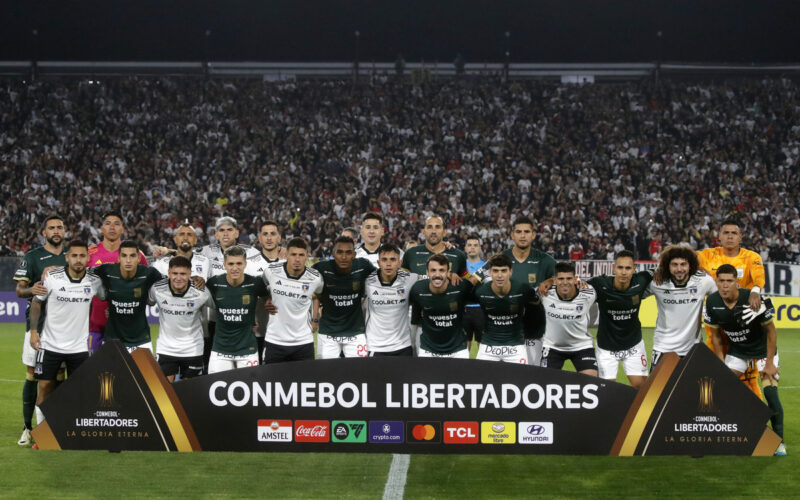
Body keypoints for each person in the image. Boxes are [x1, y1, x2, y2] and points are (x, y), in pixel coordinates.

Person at [704, 264, 785, 456]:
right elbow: (715, 336)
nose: (725, 285)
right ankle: (738, 429)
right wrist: (720, 363)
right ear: (716, 282)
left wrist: (771, 363)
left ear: (737, 282)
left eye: (729, 281)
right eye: (721, 281)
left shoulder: (752, 299)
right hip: (738, 351)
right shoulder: (712, 302)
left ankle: (778, 441)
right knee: (721, 388)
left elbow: (771, 332)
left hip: (764, 351)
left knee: (771, 393)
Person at [28, 240, 103, 426]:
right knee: (45, 386)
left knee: (80, 389)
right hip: (50, 344)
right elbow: (37, 302)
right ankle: (41, 432)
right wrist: (33, 331)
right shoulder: (52, 277)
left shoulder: (94, 281)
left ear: (88, 258)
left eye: (82, 256)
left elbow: (106, 297)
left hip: (79, 347)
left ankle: (72, 429)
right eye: (74, 255)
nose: (78, 259)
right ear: (67, 257)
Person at [12, 214, 67, 445]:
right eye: (51, 228)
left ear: (64, 231)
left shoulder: (71, 256)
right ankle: (27, 427)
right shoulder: (33, 257)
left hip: (64, 328)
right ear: (44, 233)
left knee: (59, 378)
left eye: (59, 227)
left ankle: (57, 425)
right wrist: (31, 290)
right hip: (37, 327)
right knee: (33, 375)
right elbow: (19, 290)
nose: (56, 231)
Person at [697, 217, 766, 397]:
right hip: (716, 324)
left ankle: (757, 420)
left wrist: (756, 291)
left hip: (743, 328)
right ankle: (714, 414)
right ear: (718, 236)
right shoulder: (706, 255)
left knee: (749, 379)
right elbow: (682, 259)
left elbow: (759, 278)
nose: (729, 236)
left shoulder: (751, 257)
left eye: (734, 233)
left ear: (740, 237)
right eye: (725, 233)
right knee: (712, 374)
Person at [479, 216, 555, 366]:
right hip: (504, 334)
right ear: (512, 235)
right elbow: (476, 279)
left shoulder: (545, 260)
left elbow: (567, 278)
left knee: (532, 375)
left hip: (534, 331)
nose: (522, 235)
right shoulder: (500, 259)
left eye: (527, 232)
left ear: (533, 235)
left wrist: (551, 280)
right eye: (518, 232)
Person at [199, 216, 260, 369]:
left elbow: (263, 278)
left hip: (244, 323)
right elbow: (186, 255)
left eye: (229, 230)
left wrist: (280, 250)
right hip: (214, 321)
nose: (225, 234)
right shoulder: (205, 252)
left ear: (236, 233)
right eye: (222, 231)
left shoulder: (251, 252)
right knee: (213, 366)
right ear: (216, 234)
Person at [586, 250, 652, 388]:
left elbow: (663, 270)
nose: (623, 272)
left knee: (641, 388)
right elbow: (575, 287)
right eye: (620, 267)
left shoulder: (641, 280)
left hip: (633, 346)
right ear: (614, 268)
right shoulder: (600, 284)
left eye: (628, 268)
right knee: (606, 391)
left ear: (634, 269)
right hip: (606, 349)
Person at [87, 211, 148, 354]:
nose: (112, 227)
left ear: (122, 229)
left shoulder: (136, 255)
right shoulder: (90, 253)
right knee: (95, 371)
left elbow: (144, 285)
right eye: (108, 224)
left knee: (125, 372)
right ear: (101, 229)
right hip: (96, 324)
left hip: (126, 326)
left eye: (116, 224)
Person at [649, 245, 717, 367]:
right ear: (667, 266)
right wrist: (655, 270)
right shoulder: (657, 282)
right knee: (658, 387)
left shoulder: (704, 281)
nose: (679, 269)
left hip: (693, 351)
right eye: (674, 264)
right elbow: (633, 294)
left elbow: (723, 297)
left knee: (694, 387)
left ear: (690, 265)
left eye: (683, 264)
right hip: (663, 349)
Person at [90, 240, 163, 352]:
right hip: (112, 340)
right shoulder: (106, 271)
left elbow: (173, 281)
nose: (128, 260)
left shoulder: (149, 273)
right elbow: (82, 273)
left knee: (146, 371)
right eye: (124, 256)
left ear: (138, 258)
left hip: (142, 341)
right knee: (110, 370)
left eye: (132, 256)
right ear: (118, 258)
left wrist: (196, 280)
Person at [149, 256, 212, 381]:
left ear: (190, 274)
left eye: (183, 274)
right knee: (165, 394)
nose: (178, 278)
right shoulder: (157, 289)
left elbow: (219, 308)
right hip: (166, 349)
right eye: (175, 273)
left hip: (193, 350)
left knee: (190, 393)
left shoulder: (201, 292)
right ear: (168, 273)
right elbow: (147, 303)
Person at [205, 246, 267, 373]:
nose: (234, 268)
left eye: (239, 263)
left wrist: (256, 319)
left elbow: (268, 298)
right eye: (231, 264)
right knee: (217, 389)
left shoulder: (255, 283)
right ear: (224, 265)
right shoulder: (214, 283)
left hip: (247, 349)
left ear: (245, 264)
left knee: (249, 390)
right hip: (220, 350)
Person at [262, 237, 323, 363]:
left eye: (301, 255)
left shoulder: (315, 278)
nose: (297, 259)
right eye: (293, 254)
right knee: (271, 381)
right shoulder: (271, 271)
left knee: (305, 382)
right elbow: (262, 288)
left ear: (307, 256)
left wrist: (315, 319)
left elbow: (317, 295)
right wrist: (267, 299)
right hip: (275, 340)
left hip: (303, 342)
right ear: (286, 255)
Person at [312, 236, 375, 358]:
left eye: (348, 252)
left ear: (354, 255)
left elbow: (381, 279)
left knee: (359, 373)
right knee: (326, 374)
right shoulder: (321, 268)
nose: (344, 257)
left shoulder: (363, 266)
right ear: (333, 254)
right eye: (339, 252)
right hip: (328, 334)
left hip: (356, 333)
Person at [473, 253, 535, 363]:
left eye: (504, 271)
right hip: (488, 347)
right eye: (496, 271)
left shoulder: (523, 290)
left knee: (521, 380)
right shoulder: (480, 292)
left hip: (516, 348)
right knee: (480, 379)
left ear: (510, 272)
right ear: (490, 272)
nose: (499, 275)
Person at [540, 262, 598, 376]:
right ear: (555, 280)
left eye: (569, 278)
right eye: (561, 279)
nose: (565, 282)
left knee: (591, 382)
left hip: (582, 346)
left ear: (575, 279)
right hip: (553, 347)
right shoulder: (544, 292)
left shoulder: (588, 292)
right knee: (546, 383)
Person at [409, 254, 474, 358]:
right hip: (428, 350)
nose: (437, 274)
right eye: (433, 270)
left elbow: (481, 293)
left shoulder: (460, 286)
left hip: (458, 350)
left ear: (448, 272)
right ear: (427, 272)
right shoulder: (418, 289)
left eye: (442, 270)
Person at [364, 244, 417, 356]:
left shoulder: (410, 279)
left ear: (399, 263)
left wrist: (451, 275)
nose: (388, 264)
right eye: (384, 259)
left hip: (403, 346)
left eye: (393, 259)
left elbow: (432, 279)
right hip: (375, 346)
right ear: (378, 263)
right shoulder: (367, 281)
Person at [245, 220, 285, 364]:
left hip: (283, 333)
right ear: (259, 238)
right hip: (257, 330)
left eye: (273, 234)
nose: (269, 238)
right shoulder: (248, 264)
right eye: (265, 234)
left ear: (279, 238)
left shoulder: (289, 263)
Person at [463, 234, 486, 351]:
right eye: (469, 245)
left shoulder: (486, 266)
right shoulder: (460, 265)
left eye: (475, 245)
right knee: (463, 344)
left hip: (481, 309)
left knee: (481, 344)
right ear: (465, 248)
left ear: (480, 248)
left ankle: (483, 369)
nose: (472, 248)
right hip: (463, 308)